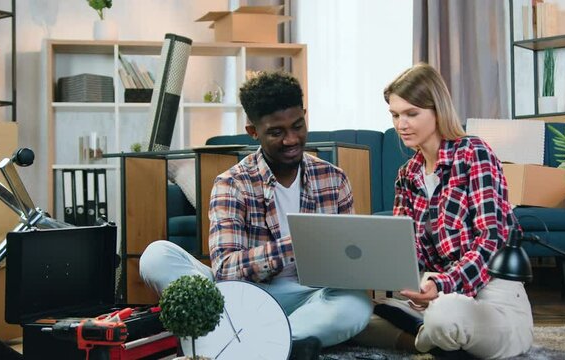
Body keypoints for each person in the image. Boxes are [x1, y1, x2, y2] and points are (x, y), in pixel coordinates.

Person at [139, 71, 372, 360]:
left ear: (304, 116)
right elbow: (225, 269)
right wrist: (296, 243)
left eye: (298, 126)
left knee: (356, 304)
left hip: (308, 298)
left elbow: (348, 264)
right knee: (156, 256)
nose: (291, 139)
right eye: (276, 132)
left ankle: (251, 342)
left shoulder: (333, 179)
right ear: (253, 131)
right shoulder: (233, 183)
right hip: (244, 296)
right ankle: (275, 344)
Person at [355, 63, 533, 359]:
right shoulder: (407, 174)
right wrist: (404, 278)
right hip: (437, 296)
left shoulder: (474, 153)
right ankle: (436, 338)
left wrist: (442, 283)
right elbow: (408, 247)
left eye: (412, 113)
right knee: (355, 316)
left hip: (492, 296)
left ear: (437, 110)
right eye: (395, 115)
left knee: (445, 316)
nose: (401, 124)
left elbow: (493, 239)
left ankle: (426, 337)